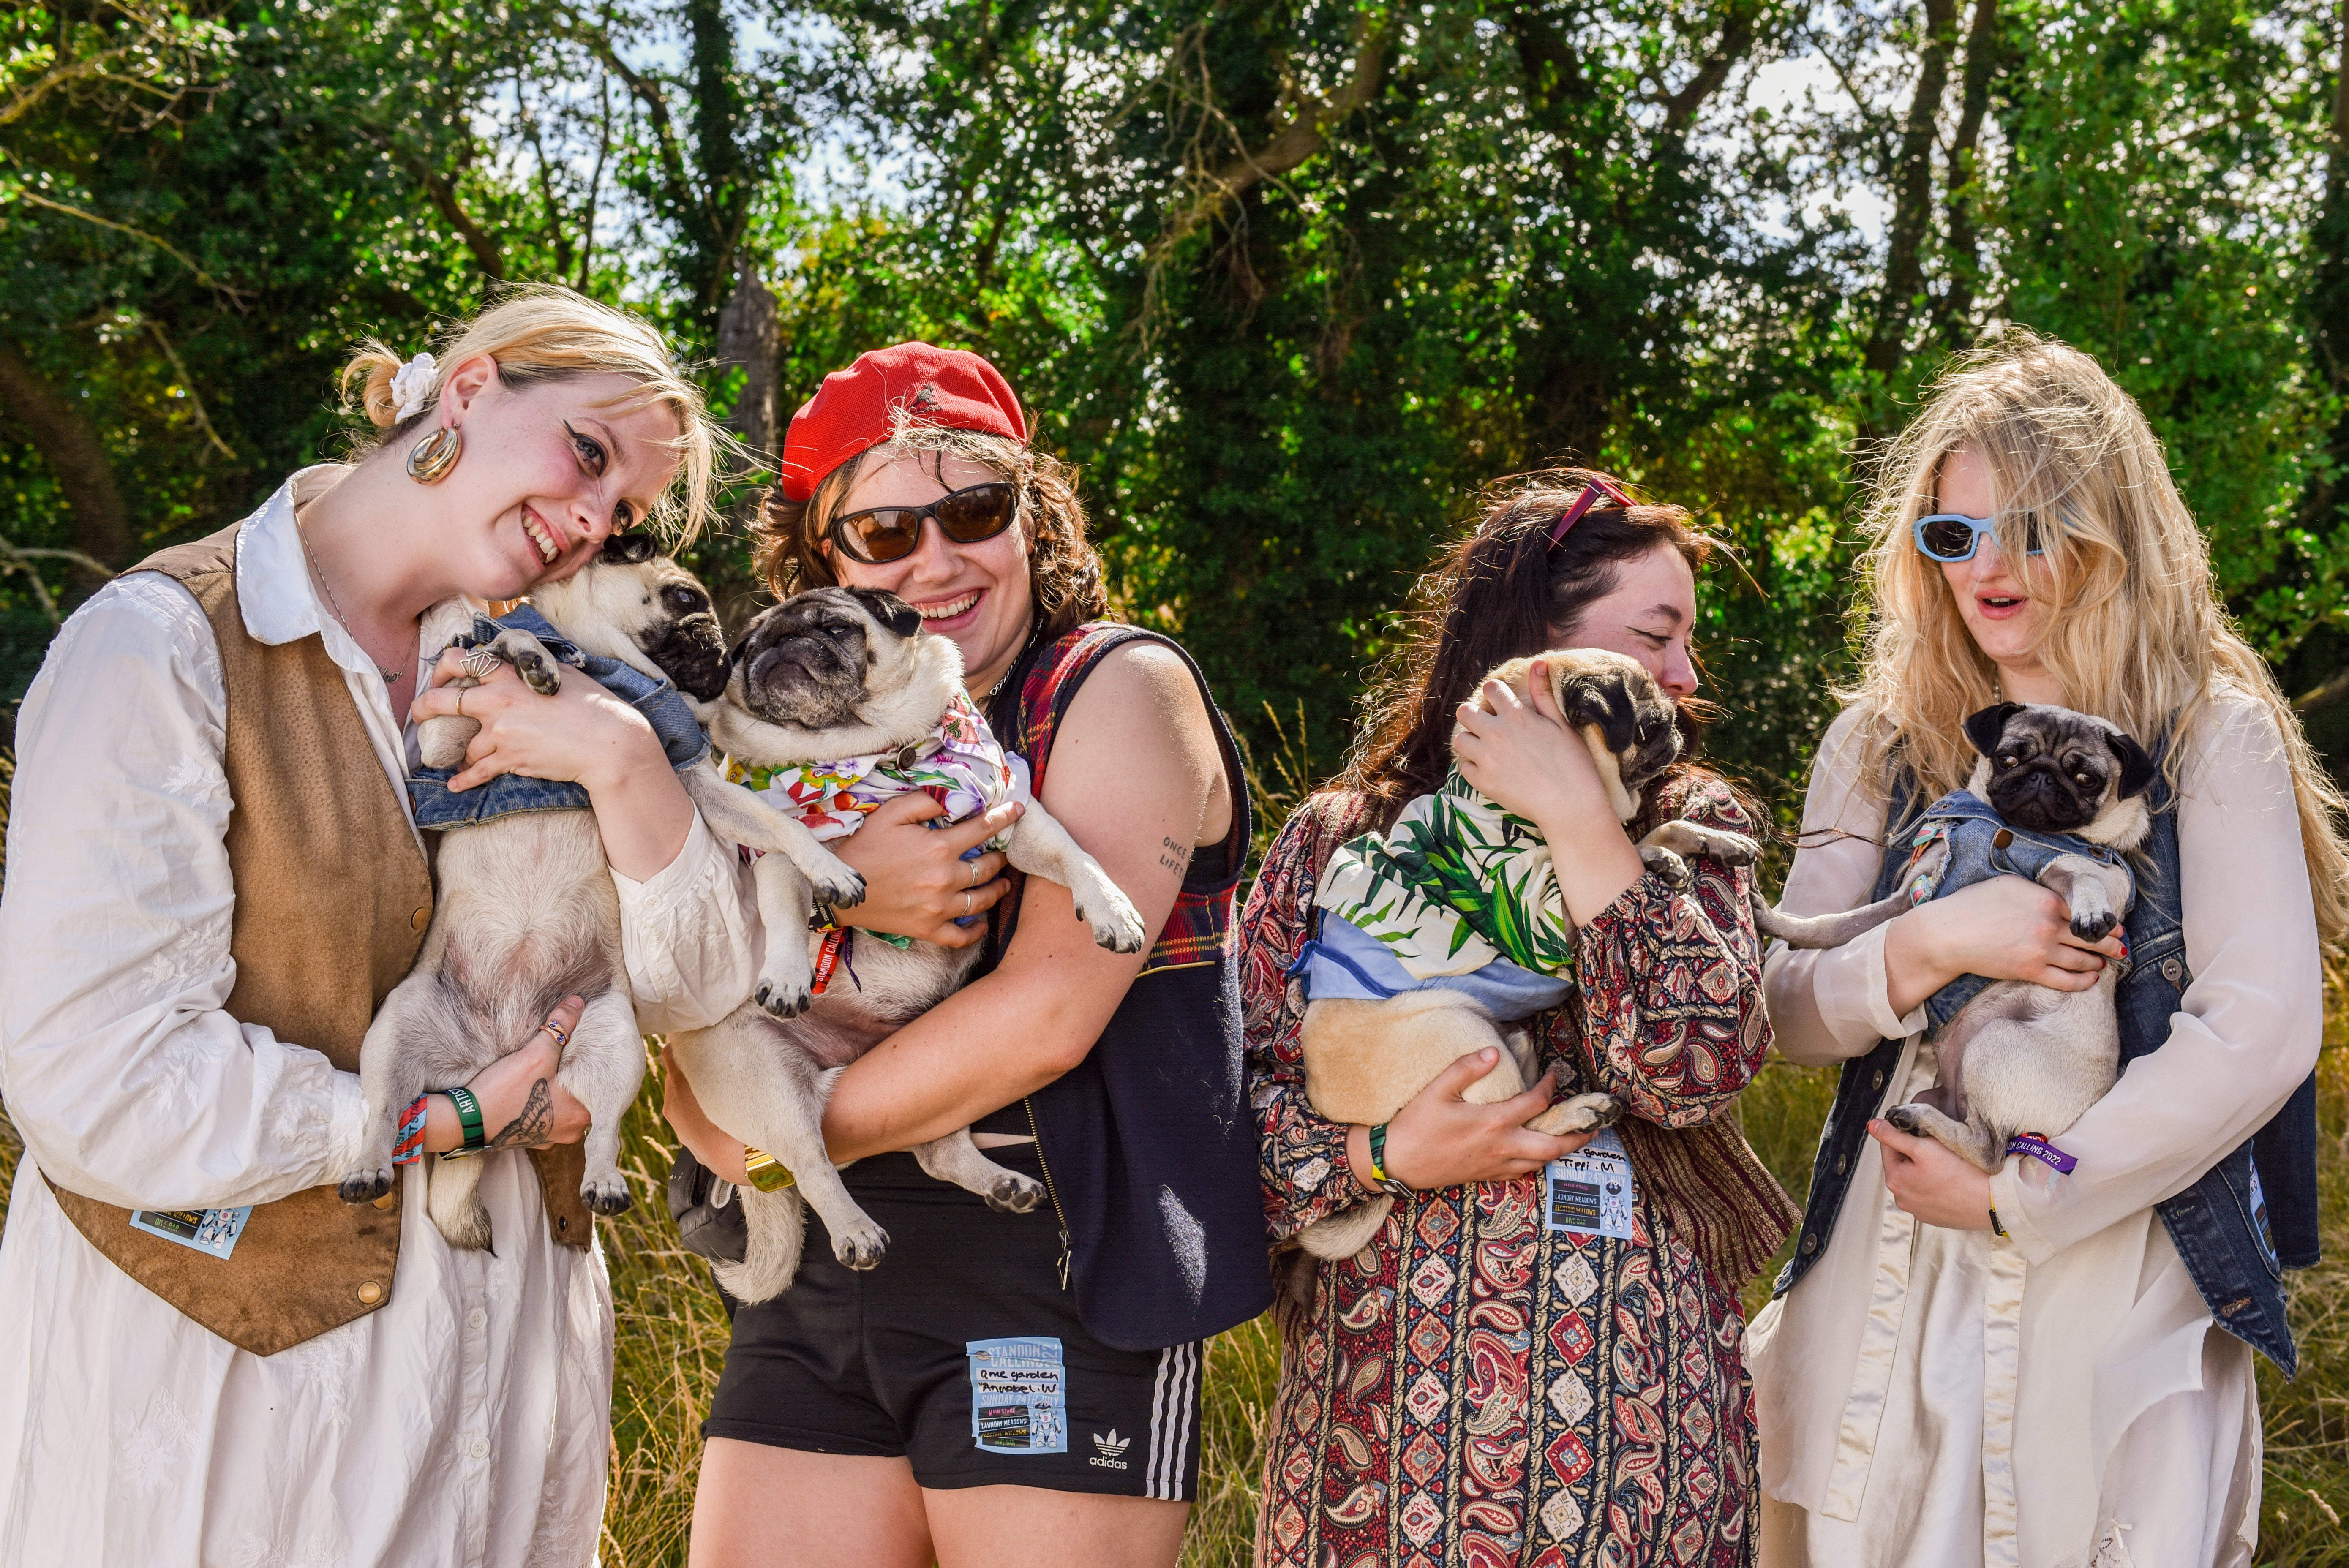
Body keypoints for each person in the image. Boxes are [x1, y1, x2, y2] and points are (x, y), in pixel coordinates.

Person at [0, 284, 725, 1565]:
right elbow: (92, 1074)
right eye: (589, 455)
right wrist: (430, 1119)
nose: (590, 522)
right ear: (469, 388)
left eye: (622, 516)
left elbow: (695, 989)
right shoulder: (160, 648)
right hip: (238, 1417)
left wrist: (626, 767)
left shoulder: (569, 672)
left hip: (509, 1401)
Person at [622, 342, 1272, 1567]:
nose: (938, 558)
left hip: (1057, 1272)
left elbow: (1044, 1015)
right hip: (822, 1281)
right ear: (830, 565)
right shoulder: (784, 767)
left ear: (1036, 516)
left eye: (975, 509)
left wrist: (771, 1153)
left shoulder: (1117, 690)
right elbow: (702, 1024)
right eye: (884, 533)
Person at [1746, 330, 2341, 1567]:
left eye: (2027, 527)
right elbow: (1785, 1010)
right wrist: (1925, 947)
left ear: (2109, 529)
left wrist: (2025, 1196)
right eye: (1953, 537)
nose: (1987, 569)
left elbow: (2264, 1026)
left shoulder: (2208, 734)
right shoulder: (1880, 739)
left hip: (2109, 1268)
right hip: (1889, 1259)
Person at [1242, 469, 1799, 1567]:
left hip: (1642, 1469)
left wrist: (1579, 814)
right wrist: (1386, 1152)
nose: (1688, 676)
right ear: (1540, 647)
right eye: (1658, 636)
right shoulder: (1338, 844)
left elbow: (1690, 1066)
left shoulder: (1697, 833)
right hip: (1382, 1457)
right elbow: (1227, 1121)